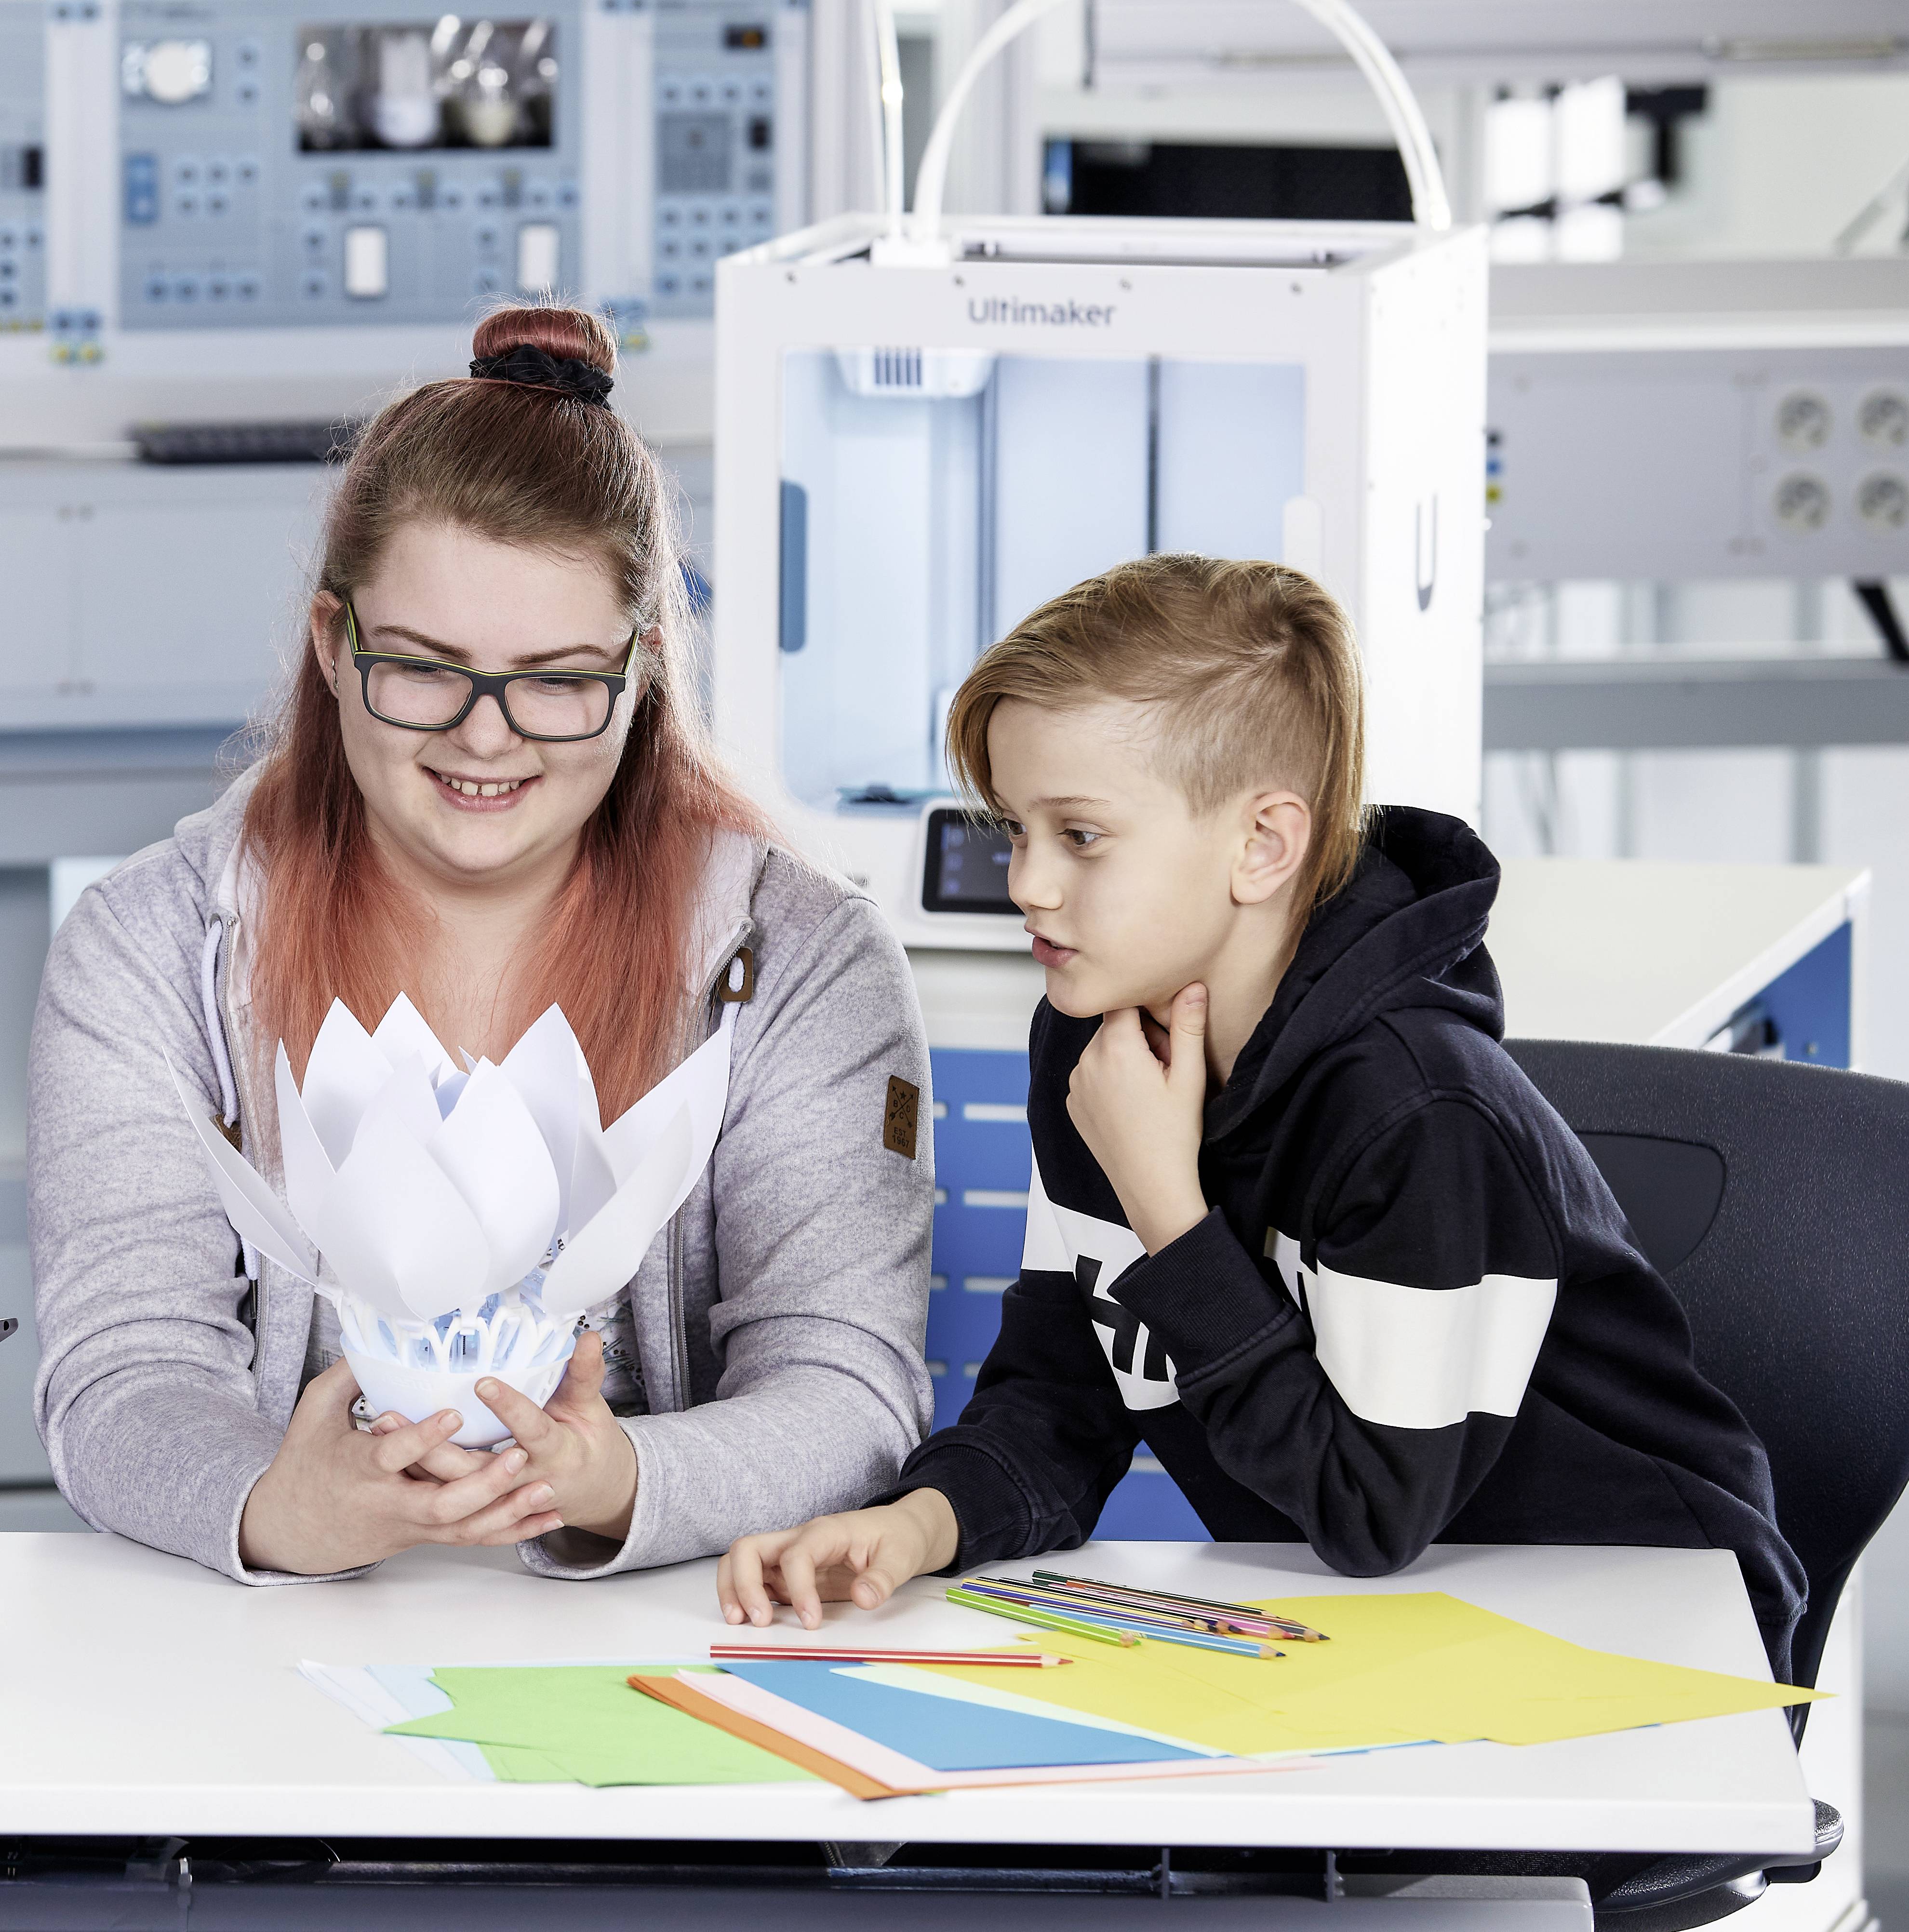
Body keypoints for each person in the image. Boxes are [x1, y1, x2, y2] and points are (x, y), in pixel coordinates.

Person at [718, 555, 1803, 1668]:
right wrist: (919, 1524)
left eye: (1081, 837)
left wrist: (1169, 1214)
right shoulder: (1096, 1050)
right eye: (1015, 829)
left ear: (1263, 845)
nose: (1029, 885)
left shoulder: (1414, 1111)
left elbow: (1368, 1512)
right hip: (1382, 1633)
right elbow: (1064, 1393)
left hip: (1645, 1633)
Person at [30, 304, 934, 1584]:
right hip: (261, 1662)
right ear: (335, 648)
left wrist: (619, 1481)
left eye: (558, 677)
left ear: (643, 673)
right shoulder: (144, 951)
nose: (487, 736)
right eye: (424, 666)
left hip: (661, 1667)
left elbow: (849, 1379)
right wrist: (277, 1504)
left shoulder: (805, 962)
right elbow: (117, 1374)